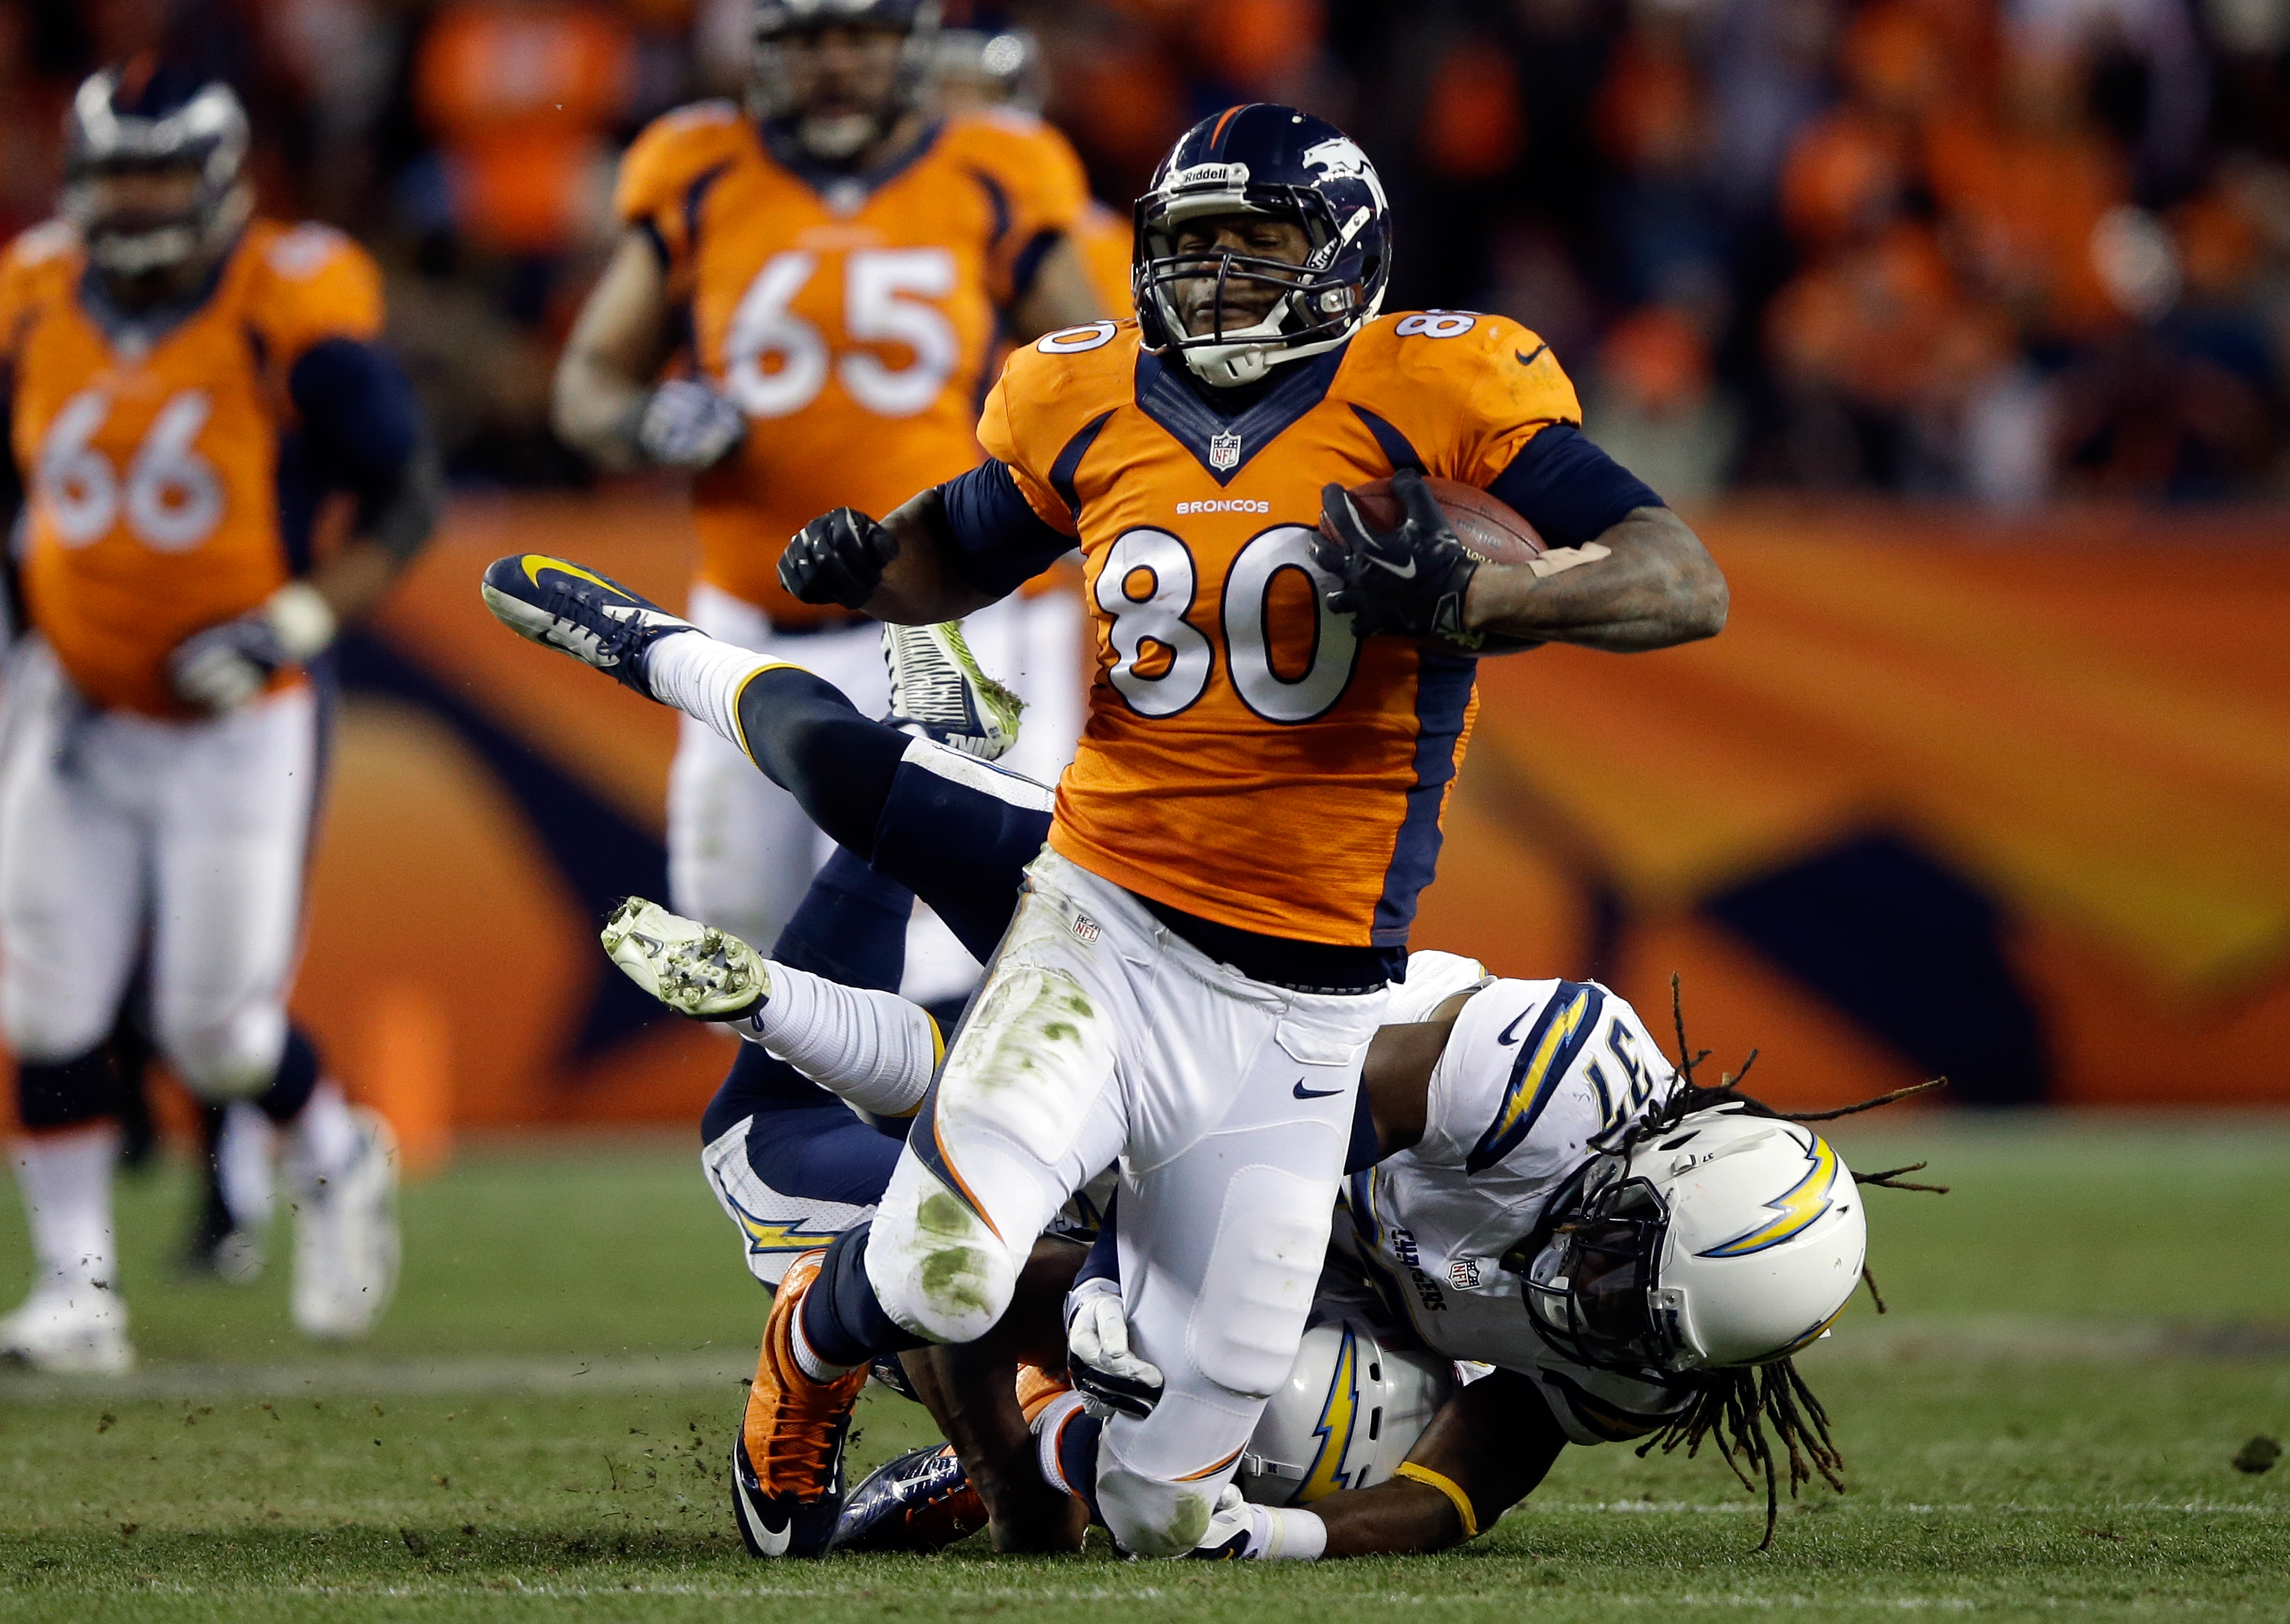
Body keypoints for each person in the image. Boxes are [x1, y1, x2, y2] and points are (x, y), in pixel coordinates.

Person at [485, 100, 1726, 1560]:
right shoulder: (1083, 392)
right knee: (948, 1261)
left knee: (1160, 1504)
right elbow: (953, 549)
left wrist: (1486, 600)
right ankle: (804, 1361)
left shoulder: (1446, 379)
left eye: (1255, 246)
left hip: (1305, 1006)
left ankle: (1030, 1444)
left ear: (1344, 251)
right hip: (1103, 917)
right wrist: (872, 566)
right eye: (1191, 249)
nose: (1214, 281)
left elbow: (1677, 579)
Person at [566, 638, 1887, 1561]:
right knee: (793, 1146)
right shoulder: (1553, 1080)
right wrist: (1115, 1296)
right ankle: (839, 1295)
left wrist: (1272, 1539)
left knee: (1177, 1419)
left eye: (1627, 1321)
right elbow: (1257, 1119)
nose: (1587, 1304)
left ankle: (1045, 1450)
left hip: (1314, 1269)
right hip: (1212, 1015)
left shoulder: (1657, 1348)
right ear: (1642, 1169)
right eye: (1616, 1266)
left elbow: (1450, 1493)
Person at [0, 64, 436, 1372]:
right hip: (75, 701)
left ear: (217, 179)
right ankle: (76, 1294)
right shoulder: (28, 296)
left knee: (217, 1029)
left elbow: (405, 495)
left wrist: (292, 624)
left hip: (240, 717)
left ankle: (334, 1148)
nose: (134, 203)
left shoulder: (288, 295)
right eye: (115, 174)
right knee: (48, 1010)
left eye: (157, 174)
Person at [550, 0, 1105, 985]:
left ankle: (944, 1144)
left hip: (946, 628)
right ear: (762, 54)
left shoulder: (993, 169)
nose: (835, 63)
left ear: (910, 47)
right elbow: (588, 381)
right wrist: (646, 422)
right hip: (748, 626)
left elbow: (1104, 377)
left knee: (956, 948)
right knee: (742, 948)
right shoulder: (701, 169)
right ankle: (808, 1139)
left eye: (861, 36)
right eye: (807, 40)